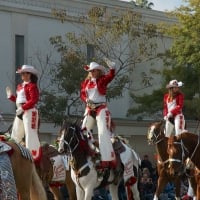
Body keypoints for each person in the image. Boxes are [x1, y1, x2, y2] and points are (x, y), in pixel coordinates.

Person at [80, 58, 116, 169]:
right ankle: (88, 153)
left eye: (94, 71)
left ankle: (106, 159)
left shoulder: (102, 80)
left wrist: (112, 68)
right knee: (83, 131)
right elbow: (82, 94)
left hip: (101, 108)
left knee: (102, 132)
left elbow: (111, 76)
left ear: (98, 72)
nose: (92, 73)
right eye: (90, 71)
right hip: (90, 109)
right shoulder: (86, 82)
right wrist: (86, 100)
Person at [6, 65, 42, 163]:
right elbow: (19, 100)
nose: (22, 75)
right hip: (21, 110)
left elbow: (34, 100)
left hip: (30, 111)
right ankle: (16, 154)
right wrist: (11, 97)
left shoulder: (32, 86)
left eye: (24, 73)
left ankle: (33, 156)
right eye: (21, 73)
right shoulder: (20, 86)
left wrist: (23, 108)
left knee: (30, 134)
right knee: (15, 134)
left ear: (29, 74)